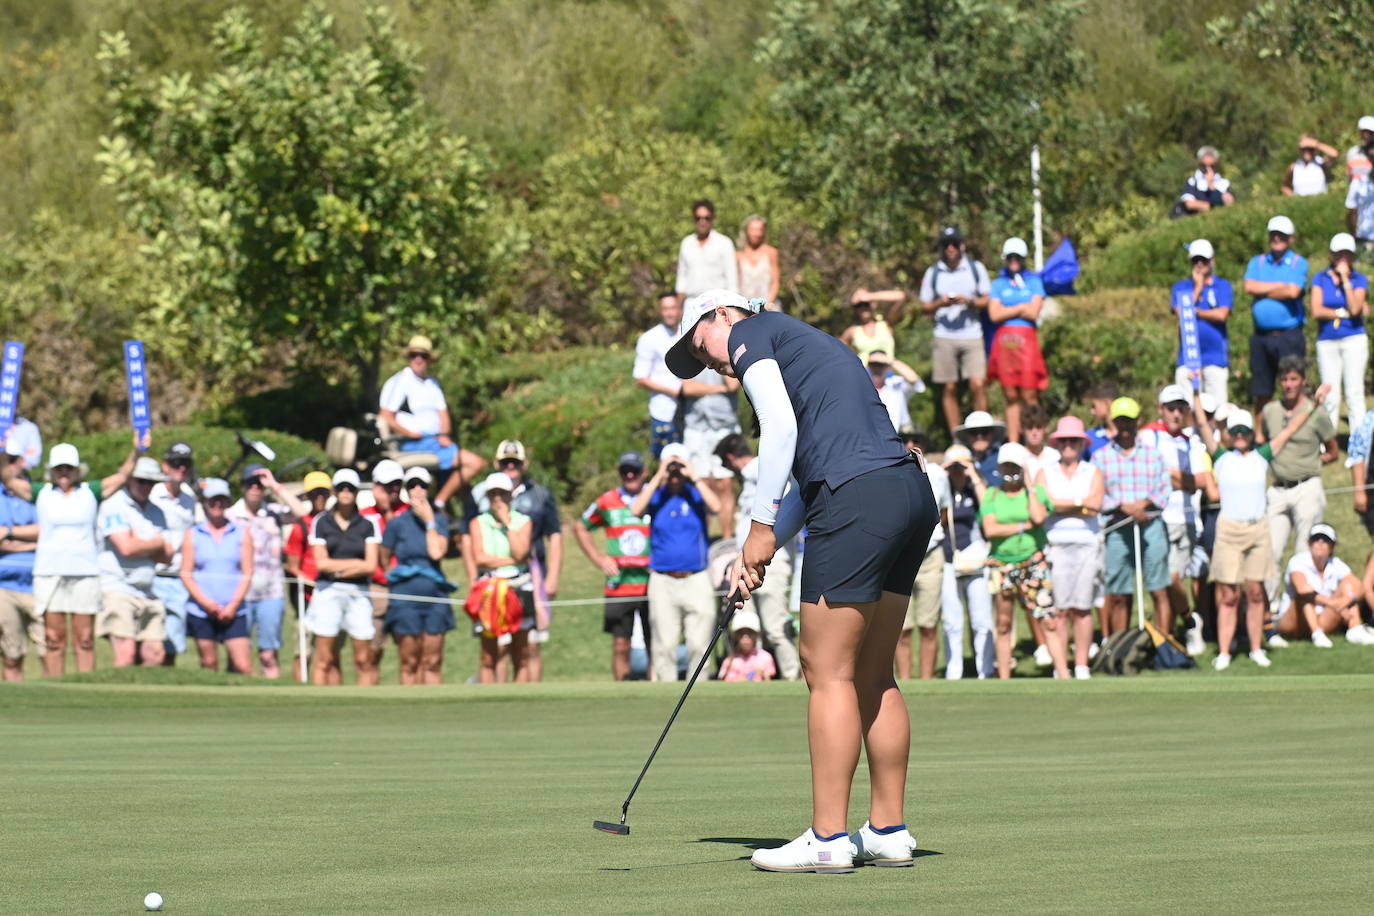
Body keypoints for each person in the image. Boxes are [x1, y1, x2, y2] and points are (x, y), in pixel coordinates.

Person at [666, 287, 936, 874]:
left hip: (860, 497)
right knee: (871, 670)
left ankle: (828, 838)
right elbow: (808, 483)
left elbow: (780, 433)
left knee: (826, 670)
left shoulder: (750, 333)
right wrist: (757, 553)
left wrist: (758, 529)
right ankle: (888, 830)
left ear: (721, 315)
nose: (710, 360)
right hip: (906, 491)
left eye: (700, 344)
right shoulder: (808, 344)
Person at [1194, 388, 1329, 670]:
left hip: (1257, 529)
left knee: (1255, 592)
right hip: (1229, 531)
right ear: (1229, 433)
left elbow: (1292, 427)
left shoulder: (1261, 456)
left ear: (1250, 432)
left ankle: (1256, 648)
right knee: (1229, 595)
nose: (1241, 434)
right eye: (1236, 430)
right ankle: (1224, 652)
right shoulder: (1221, 457)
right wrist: (1196, 391)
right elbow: (1203, 425)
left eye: (1244, 429)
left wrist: (1313, 404)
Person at [6, 439, 139, 676]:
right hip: (50, 572)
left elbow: (121, 476)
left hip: (85, 572)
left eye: (68, 467)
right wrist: (2, 451)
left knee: (85, 638)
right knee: (54, 638)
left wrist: (137, 450)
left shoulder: (90, 492)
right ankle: (57, 690)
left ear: (77, 469)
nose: (64, 473)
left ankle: (85, 688)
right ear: (52, 470)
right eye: (59, 468)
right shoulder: (42, 493)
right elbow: (7, 479)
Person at [630, 443, 721, 683]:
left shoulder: (695, 495)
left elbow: (717, 506)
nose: (674, 473)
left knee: (699, 643)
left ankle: (698, 690)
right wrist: (659, 474)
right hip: (663, 579)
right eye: (671, 467)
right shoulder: (656, 496)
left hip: (696, 577)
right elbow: (636, 509)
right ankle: (665, 693)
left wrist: (693, 475)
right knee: (664, 645)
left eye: (678, 466)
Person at [715, 434, 801, 680]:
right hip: (749, 562)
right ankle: (751, 678)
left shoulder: (759, 468)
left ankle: (792, 677)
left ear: (732, 458)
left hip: (772, 564)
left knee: (775, 629)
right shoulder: (752, 480)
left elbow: (770, 468)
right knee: (747, 627)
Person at [1260, 356, 1338, 606]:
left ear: (1303, 381)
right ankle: (1271, 608)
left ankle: (1299, 607)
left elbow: (1333, 450)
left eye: (1294, 379)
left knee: (1304, 553)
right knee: (1271, 550)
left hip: (1307, 486)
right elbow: (1262, 443)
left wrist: (1313, 462)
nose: (1288, 384)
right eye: (1284, 379)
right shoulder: (1270, 411)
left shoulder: (1317, 413)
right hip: (1277, 487)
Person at [377, 334, 486, 508]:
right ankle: (439, 503)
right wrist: (409, 433)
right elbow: (385, 415)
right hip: (415, 442)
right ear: (408, 357)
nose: (418, 359)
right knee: (474, 463)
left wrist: (445, 435)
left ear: (429, 359)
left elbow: (443, 414)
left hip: (435, 442)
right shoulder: (400, 382)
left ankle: (464, 521)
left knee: (464, 486)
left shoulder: (432, 384)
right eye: (414, 355)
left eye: (423, 355)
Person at [1095, 397, 1171, 639]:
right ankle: (1120, 646)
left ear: (1138, 421)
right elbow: (1098, 496)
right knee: (1118, 591)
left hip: (1150, 525)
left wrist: (1143, 504)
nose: (1125, 426)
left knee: (1159, 589)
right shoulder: (1101, 457)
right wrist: (1123, 506)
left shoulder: (1153, 455)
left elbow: (1164, 490)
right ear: (1114, 422)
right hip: (1118, 526)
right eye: (1120, 421)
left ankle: (1163, 644)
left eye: (1129, 421)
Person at [574, 451, 653, 681]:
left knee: (654, 642)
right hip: (620, 584)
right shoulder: (607, 500)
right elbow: (581, 526)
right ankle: (622, 689)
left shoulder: (655, 496)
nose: (630, 475)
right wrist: (599, 559)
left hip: (652, 582)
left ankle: (655, 690)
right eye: (624, 471)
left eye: (635, 471)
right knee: (621, 643)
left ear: (644, 472)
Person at [1035, 417, 1102, 680]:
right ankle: (1062, 667)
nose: (1068, 445)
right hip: (1056, 545)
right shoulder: (1045, 472)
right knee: (1060, 609)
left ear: (1081, 443)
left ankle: (1082, 665)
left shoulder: (1092, 471)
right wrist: (1079, 504)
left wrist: (1061, 504)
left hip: (1087, 543)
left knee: (1082, 607)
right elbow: (1044, 506)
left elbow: (1095, 504)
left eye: (1073, 440)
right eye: (1063, 441)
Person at [979, 443, 1053, 678]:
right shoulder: (992, 493)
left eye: (1014, 466)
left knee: (1047, 618)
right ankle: (1004, 678)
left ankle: (1063, 673)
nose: (1010, 471)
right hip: (1002, 564)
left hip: (1032, 561)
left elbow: (1039, 516)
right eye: (1006, 466)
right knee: (1003, 623)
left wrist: (1029, 484)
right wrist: (1023, 526)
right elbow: (990, 529)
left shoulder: (1035, 492)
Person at [489, 440, 562, 681]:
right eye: (505, 462)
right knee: (499, 645)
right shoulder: (485, 494)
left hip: (532, 574)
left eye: (516, 462)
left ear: (525, 464)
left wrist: (551, 579)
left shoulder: (540, 495)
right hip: (495, 575)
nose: (511, 467)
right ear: (496, 463)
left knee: (530, 645)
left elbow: (554, 536)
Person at [228, 464, 306, 679]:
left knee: (268, 655)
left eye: (259, 485)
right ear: (242, 486)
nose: (255, 488)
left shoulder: (273, 512)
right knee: (237, 657)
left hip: (271, 593)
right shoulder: (231, 515)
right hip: (238, 594)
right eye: (250, 484)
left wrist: (273, 485)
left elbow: (301, 512)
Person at [97, 456, 175, 668]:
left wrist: (142, 544)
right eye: (140, 480)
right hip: (117, 589)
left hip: (148, 591)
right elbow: (126, 548)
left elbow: (167, 556)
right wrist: (155, 543)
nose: (145, 486)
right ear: (129, 479)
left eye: (150, 482)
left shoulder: (157, 511)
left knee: (156, 655)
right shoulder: (113, 505)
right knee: (126, 655)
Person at [307, 468, 382, 686]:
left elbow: (370, 566)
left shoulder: (367, 524)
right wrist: (354, 564)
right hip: (328, 590)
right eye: (341, 488)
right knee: (325, 658)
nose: (346, 492)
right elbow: (321, 563)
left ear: (357, 492)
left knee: (363, 659)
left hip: (359, 592)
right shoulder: (322, 521)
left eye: (350, 488)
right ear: (334, 491)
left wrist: (338, 569)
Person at [379, 467, 454, 685]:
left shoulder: (439, 522)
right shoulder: (396, 523)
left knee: (432, 660)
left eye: (422, 485)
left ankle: (434, 712)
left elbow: (436, 552)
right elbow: (385, 558)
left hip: (435, 596)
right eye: (412, 485)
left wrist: (429, 521)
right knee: (409, 661)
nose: (417, 490)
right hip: (405, 597)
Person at [675, 302, 742, 538]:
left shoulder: (724, 344)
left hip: (724, 425)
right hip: (697, 427)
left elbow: (732, 384)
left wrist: (717, 355)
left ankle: (726, 538)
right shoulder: (689, 352)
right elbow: (687, 389)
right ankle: (702, 539)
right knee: (701, 483)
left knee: (725, 484)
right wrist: (716, 390)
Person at [919, 226, 991, 432]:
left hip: (972, 333)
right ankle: (956, 438)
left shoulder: (976, 269)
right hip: (944, 335)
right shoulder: (933, 272)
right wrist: (940, 304)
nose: (950, 248)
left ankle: (982, 433)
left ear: (962, 245)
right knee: (949, 387)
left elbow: (987, 300)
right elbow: (924, 306)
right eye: (945, 244)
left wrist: (970, 302)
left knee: (978, 384)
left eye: (954, 243)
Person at [179, 478, 253, 673]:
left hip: (235, 610)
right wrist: (208, 604)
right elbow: (186, 574)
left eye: (221, 500)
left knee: (242, 665)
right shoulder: (193, 533)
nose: (217, 505)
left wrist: (233, 605)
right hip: (201, 610)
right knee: (209, 663)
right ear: (205, 502)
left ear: (228, 502)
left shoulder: (241, 532)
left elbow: (247, 572)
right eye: (213, 500)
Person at [468, 472, 535, 683]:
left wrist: (507, 522)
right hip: (489, 588)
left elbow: (521, 553)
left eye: (502, 494)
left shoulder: (523, 521)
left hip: (519, 587)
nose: (498, 499)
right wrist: (510, 559)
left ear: (510, 495)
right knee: (489, 655)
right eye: (493, 494)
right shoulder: (478, 522)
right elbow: (480, 558)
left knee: (520, 654)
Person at [896, 434, 951, 680]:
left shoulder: (938, 473)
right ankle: (904, 681)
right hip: (898, 557)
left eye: (914, 440)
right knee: (900, 629)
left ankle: (927, 682)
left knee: (929, 625)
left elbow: (945, 512)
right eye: (904, 439)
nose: (909, 445)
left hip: (930, 557)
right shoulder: (889, 471)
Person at [938, 446, 994, 679]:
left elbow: (990, 507)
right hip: (950, 560)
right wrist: (944, 476)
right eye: (954, 467)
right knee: (952, 620)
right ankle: (954, 671)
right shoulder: (944, 489)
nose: (958, 471)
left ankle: (986, 670)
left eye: (962, 466)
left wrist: (973, 474)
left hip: (977, 559)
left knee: (981, 619)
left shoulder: (976, 489)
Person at [1243, 215, 1308, 412]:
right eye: (1274, 235)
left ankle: (1298, 430)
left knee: (1293, 386)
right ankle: (1262, 437)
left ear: (1291, 239)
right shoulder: (1258, 262)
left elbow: (1293, 291)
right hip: (1261, 337)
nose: (1277, 239)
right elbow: (1249, 286)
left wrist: (1263, 291)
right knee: (1262, 389)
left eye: (1282, 235)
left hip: (1289, 335)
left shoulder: (1298, 262)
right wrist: (1280, 286)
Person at [987, 237, 1047, 444]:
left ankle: (1034, 440)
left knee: (1030, 394)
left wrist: (1008, 309)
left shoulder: (1034, 281)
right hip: (1004, 344)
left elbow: (1034, 312)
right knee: (1011, 395)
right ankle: (1013, 444)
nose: (1014, 260)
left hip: (1027, 342)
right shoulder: (998, 284)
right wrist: (1021, 307)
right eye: (1010, 257)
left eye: (1017, 257)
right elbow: (994, 315)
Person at [1276, 525, 1374, 647]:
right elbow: (1302, 589)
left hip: (1323, 618)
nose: (1320, 543)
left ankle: (1355, 629)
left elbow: (1359, 586)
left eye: (1325, 540)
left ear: (1332, 547)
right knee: (1305, 595)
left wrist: (1346, 601)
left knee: (1348, 586)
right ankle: (1317, 634)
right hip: (1294, 622)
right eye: (1316, 539)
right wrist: (1335, 604)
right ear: (1309, 543)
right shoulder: (1298, 561)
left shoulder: (1336, 564)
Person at [1311, 232, 1369, 431]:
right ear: (1331, 255)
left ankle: (1359, 448)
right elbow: (1316, 310)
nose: (1343, 258)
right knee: (1331, 395)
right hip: (1327, 340)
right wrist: (1340, 312)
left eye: (1347, 254)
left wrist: (1345, 280)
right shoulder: (1319, 278)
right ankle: (1330, 444)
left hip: (1354, 340)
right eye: (1339, 253)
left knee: (1354, 393)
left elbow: (1355, 309)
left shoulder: (1358, 279)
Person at [149, 442, 198, 665]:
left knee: (172, 644)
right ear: (166, 466)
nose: (182, 469)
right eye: (177, 464)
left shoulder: (190, 499)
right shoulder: (152, 493)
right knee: (149, 643)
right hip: (151, 575)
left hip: (178, 579)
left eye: (186, 464)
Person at [1170, 239, 1233, 404]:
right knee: (1187, 408)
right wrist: (1198, 288)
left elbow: (1222, 314)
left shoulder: (1222, 286)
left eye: (1203, 260)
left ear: (1212, 261)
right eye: (1195, 260)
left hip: (1214, 358)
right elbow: (1182, 314)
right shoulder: (1181, 287)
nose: (1199, 264)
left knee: (1217, 408)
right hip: (1187, 359)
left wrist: (1196, 312)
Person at [0, 446, 40, 681]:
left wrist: (10, 533)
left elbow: (49, 533)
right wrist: (32, 540)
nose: (14, 465)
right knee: (12, 654)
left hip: (40, 584)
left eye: (15, 460)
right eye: (9, 460)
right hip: (4, 585)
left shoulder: (37, 494)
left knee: (50, 647)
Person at [633, 293, 685, 458]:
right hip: (664, 411)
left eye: (673, 308)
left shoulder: (687, 333)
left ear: (680, 310)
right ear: (659, 311)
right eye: (665, 309)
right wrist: (675, 391)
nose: (669, 313)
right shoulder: (649, 339)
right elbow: (640, 378)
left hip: (691, 411)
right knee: (666, 461)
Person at [283, 470, 333, 605]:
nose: (320, 497)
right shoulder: (301, 526)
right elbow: (292, 566)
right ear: (307, 496)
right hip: (307, 595)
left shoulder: (338, 523)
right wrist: (315, 585)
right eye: (315, 493)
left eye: (323, 492)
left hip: (334, 593)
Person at [676, 198, 738, 301]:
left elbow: (732, 278)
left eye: (706, 218)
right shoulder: (686, 243)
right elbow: (681, 277)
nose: (702, 222)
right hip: (692, 301)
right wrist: (679, 304)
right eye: (698, 218)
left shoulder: (724, 243)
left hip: (717, 302)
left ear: (712, 218)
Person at [842, 288, 905, 364]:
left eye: (866, 304)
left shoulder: (885, 323)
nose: (863, 308)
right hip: (865, 374)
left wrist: (869, 296)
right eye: (859, 305)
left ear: (873, 304)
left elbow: (900, 296)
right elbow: (836, 352)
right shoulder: (852, 331)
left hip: (887, 372)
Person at [866, 351, 924, 433]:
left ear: (887, 366)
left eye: (881, 365)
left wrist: (891, 361)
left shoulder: (896, 383)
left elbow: (913, 380)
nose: (877, 368)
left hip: (900, 434)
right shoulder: (862, 386)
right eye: (873, 364)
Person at [718, 609, 777, 681]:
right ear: (735, 636)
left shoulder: (765, 657)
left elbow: (768, 681)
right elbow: (725, 681)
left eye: (750, 633)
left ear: (757, 634)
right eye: (741, 633)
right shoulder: (730, 660)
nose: (745, 638)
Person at [736, 215, 780, 309]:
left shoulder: (771, 252)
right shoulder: (738, 256)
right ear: (746, 231)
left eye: (759, 230)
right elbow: (736, 284)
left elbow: (775, 282)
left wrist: (768, 304)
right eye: (753, 229)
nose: (756, 233)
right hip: (746, 308)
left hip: (769, 306)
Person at [954, 410, 1007, 487]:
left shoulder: (1003, 457)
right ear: (966, 435)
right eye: (973, 432)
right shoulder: (958, 457)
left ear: (993, 433)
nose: (979, 436)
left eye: (984, 431)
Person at [1176, 146, 1235, 214]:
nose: (1208, 169)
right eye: (1204, 166)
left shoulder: (1224, 183)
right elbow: (1189, 204)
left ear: (1216, 165)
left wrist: (1211, 185)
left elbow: (1230, 203)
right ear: (1199, 164)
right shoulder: (1193, 181)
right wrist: (1215, 207)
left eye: (1212, 166)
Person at [1083, 381, 1120, 458]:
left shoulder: (1130, 435)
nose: (1092, 411)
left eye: (1094, 406)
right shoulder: (1089, 437)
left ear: (1107, 404)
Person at [1345, 116, 1374, 182]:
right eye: (1363, 132)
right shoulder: (1353, 152)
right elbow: (1349, 176)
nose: (1366, 136)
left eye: (1370, 133)